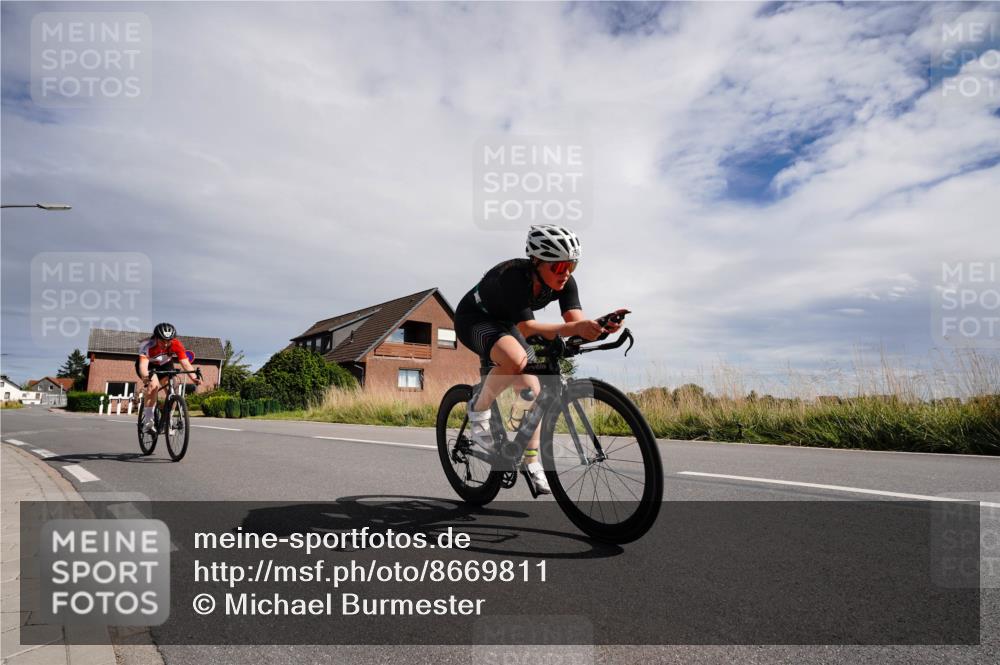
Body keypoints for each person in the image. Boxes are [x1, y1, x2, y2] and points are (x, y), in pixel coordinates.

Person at [454, 224, 623, 495]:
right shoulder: (513, 276)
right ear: (536, 261)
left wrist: (599, 327)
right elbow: (528, 329)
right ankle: (478, 407)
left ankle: (530, 460)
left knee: (533, 389)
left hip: (509, 322)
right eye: (557, 267)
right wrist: (575, 330)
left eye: (572, 265)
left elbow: (576, 325)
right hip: (475, 319)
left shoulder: (566, 281)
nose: (565, 273)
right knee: (515, 360)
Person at [136, 322, 201, 432]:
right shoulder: (147, 345)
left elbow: (185, 363)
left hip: (165, 365)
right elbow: (143, 366)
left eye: (168, 341)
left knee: (174, 388)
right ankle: (148, 421)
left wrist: (194, 377)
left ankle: (167, 419)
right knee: (153, 386)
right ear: (156, 338)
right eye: (162, 341)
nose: (166, 344)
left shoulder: (176, 344)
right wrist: (145, 376)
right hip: (148, 366)